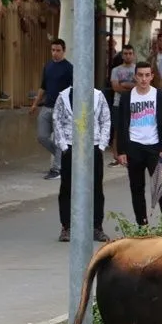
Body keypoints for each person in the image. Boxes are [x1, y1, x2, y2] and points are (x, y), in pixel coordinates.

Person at [116, 62, 162, 226]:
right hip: (134, 147)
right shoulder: (127, 97)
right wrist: (121, 151)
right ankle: (142, 225)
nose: (143, 79)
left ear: (152, 77)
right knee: (137, 188)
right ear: (135, 76)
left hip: (155, 148)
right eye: (140, 75)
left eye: (147, 75)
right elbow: (121, 125)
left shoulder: (159, 95)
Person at [52, 85, 111, 242]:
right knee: (67, 187)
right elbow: (56, 119)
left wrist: (102, 145)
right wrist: (63, 146)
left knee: (96, 188)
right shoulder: (64, 96)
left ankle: (96, 227)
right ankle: (67, 227)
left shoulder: (98, 95)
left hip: (93, 145)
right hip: (71, 146)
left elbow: (105, 119)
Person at [30, 38, 73, 179]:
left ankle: (57, 169)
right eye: (53, 50)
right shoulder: (48, 66)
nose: (55, 53)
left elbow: (74, 90)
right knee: (42, 137)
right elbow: (43, 86)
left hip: (62, 109)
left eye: (58, 50)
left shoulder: (69, 68)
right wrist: (35, 103)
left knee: (59, 139)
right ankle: (65, 157)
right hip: (47, 107)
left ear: (64, 51)